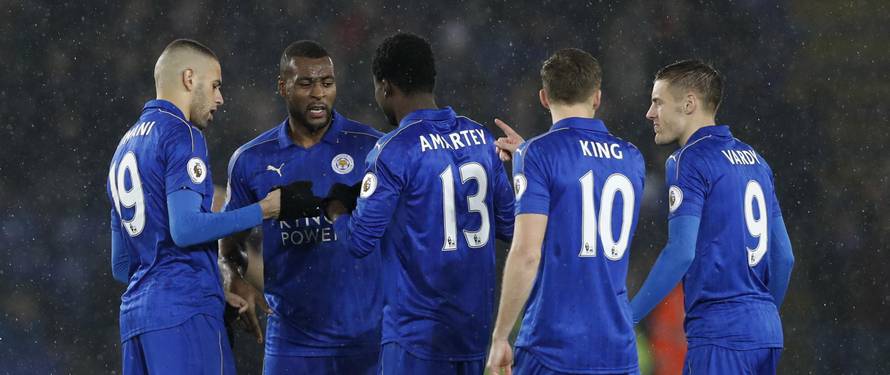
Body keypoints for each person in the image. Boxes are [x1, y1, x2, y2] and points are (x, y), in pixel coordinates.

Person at [324, 32, 515, 374]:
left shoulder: (395, 149)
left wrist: (337, 210)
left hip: (416, 338)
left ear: (385, 87)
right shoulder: (480, 138)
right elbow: (511, 225)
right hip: (474, 332)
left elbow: (359, 241)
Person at [106, 39, 281, 375]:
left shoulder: (123, 149)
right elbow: (185, 229)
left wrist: (207, 288)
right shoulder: (181, 134)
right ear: (189, 78)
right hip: (184, 311)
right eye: (215, 85)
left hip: (137, 322)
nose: (220, 98)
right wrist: (263, 209)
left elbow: (121, 265)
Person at [219, 40, 383, 375]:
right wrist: (234, 277)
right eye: (306, 83)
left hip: (370, 341)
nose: (318, 93)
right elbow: (229, 244)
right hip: (293, 343)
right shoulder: (251, 160)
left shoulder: (372, 147)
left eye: (327, 82)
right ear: (283, 87)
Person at [485, 48, 645, 375]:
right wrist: (529, 157)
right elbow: (585, 185)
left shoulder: (540, 154)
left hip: (554, 344)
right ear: (597, 97)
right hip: (617, 346)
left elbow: (527, 253)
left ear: (544, 98)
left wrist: (501, 336)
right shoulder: (632, 157)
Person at [630, 60, 794, 374]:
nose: (650, 113)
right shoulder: (756, 161)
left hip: (720, 334)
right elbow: (784, 257)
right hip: (766, 332)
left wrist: (628, 317)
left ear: (689, 104)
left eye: (658, 102)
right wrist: (760, 315)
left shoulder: (687, 160)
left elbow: (681, 253)